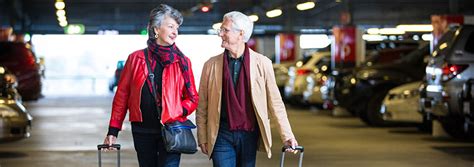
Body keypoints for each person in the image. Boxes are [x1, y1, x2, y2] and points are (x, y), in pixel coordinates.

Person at [196, 11, 299, 167]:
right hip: (221, 134)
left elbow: (275, 103)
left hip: (249, 134)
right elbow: (202, 105)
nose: (220, 34)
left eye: (225, 30)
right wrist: (202, 136)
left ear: (241, 34)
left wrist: (287, 135)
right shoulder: (211, 65)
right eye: (221, 30)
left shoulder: (262, 63)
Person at [102, 4, 199, 167]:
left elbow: (193, 98)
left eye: (177, 28)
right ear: (156, 29)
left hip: (172, 130)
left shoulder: (182, 61)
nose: (175, 32)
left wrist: (178, 110)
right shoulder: (135, 59)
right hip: (142, 131)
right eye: (170, 26)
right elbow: (122, 96)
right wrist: (113, 131)